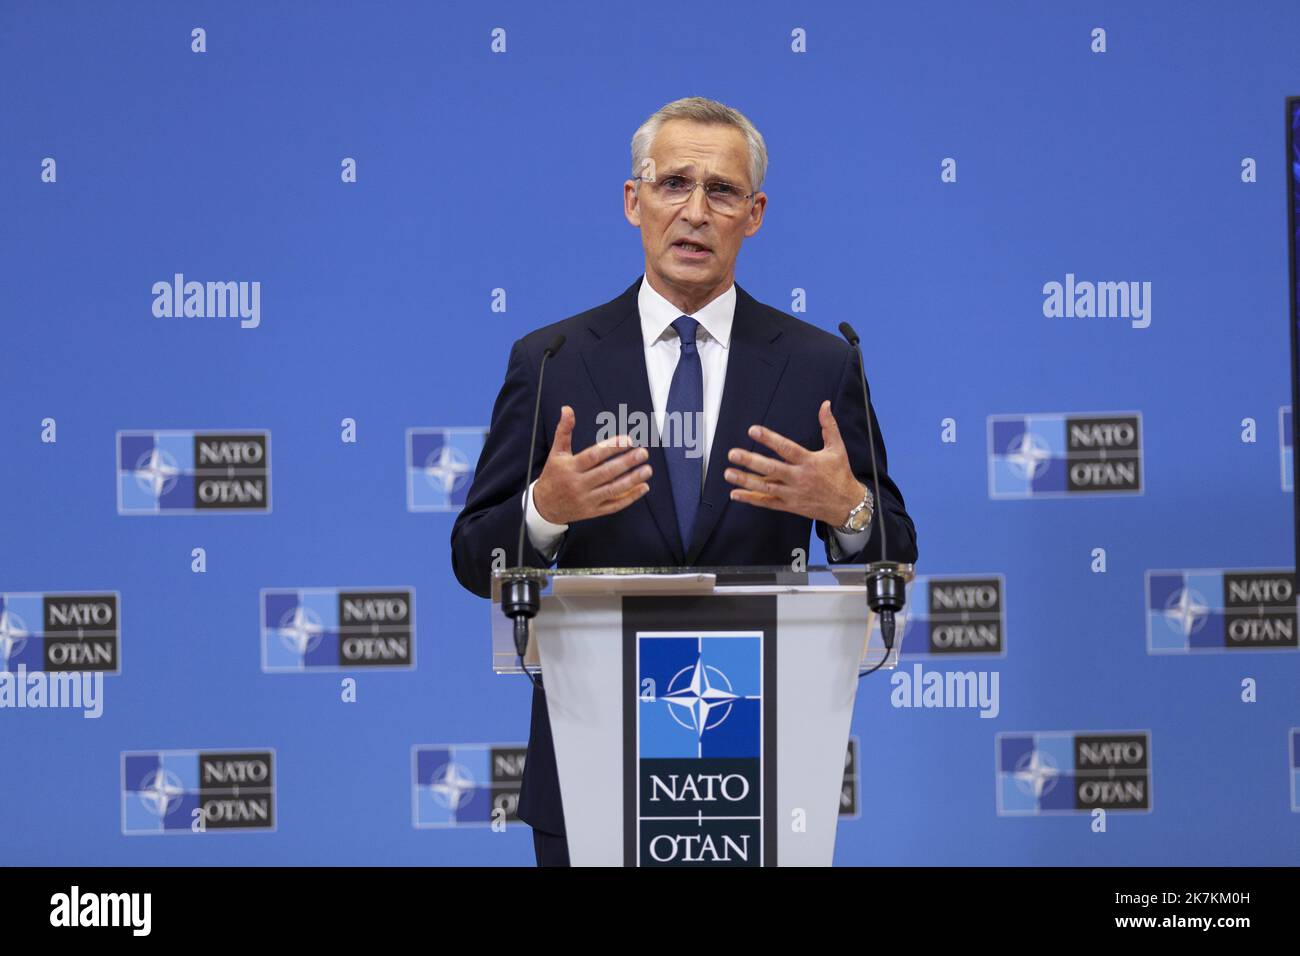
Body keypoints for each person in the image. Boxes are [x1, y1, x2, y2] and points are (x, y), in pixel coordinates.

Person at [450, 96, 918, 866]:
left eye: (722, 191)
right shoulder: (554, 360)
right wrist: (544, 513)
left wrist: (851, 511)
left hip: (759, 755)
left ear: (755, 213)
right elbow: (474, 555)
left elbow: (895, 546)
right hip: (592, 747)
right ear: (635, 201)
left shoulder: (819, 365)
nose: (696, 211)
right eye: (674, 184)